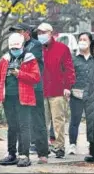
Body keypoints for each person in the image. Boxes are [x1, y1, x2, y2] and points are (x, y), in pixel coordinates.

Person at [0, 33, 40, 167]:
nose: (15, 51)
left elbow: (36, 77)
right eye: (12, 48)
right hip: (8, 98)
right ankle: (11, 154)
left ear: (22, 46)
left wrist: (20, 74)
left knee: (24, 126)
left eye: (17, 48)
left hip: (24, 97)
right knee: (12, 127)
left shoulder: (29, 58)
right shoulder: (5, 59)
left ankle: (24, 155)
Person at [9, 23, 48, 163]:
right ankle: (22, 154)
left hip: (34, 87)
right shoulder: (13, 48)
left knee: (38, 120)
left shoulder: (35, 45)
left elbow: (27, 60)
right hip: (20, 88)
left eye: (19, 32)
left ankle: (43, 153)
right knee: (23, 123)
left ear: (26, 33)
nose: (16, 35)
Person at [37, 22, 75, 158]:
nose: (41, 35)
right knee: (42, 121)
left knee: (58, 120)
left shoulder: (62, 48)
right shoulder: (37, 49)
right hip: (41, 90)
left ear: (51, 33)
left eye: (43, 32)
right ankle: (43, 147)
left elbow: (69, 69)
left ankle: (59, 147)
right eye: (39, 33)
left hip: (58, 90)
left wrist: (67, 86)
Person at [68, 32, 94, 155]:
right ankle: (72, 144)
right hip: (76, 94)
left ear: (90, 42)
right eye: (80, 39)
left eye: (85, 39)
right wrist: (68, 88)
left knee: (91, 121)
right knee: (75, 120)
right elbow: (68, 74)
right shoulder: (73, 58)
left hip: (92, 95)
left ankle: (91, 144)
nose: (82, 41)